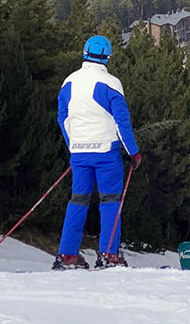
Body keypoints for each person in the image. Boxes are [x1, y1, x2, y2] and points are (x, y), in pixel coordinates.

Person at [53, 35, 141, 270]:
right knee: (110, 201)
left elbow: (63, 117)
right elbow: (122, 121)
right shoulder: (111, 83)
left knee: (78, 201)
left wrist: (74, 144)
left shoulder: (68, 82)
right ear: (107, 57)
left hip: (79, 152)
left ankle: (68, 255)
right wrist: (133, 151)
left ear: (84, 53)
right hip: (106, 152)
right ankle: (108, 254)